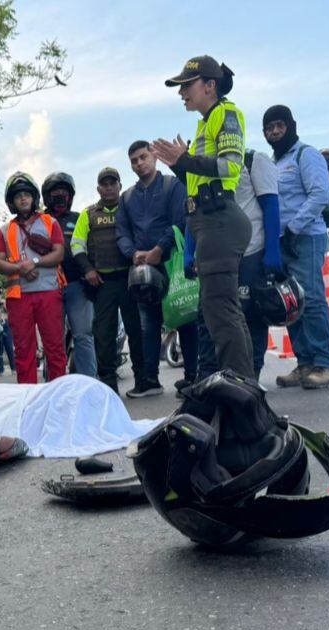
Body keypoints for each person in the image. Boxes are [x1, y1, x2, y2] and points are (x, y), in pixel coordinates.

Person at [151, 54, 255, 379]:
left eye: (187, 85)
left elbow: (229, 165)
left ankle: (241, 389)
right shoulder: (205, 123)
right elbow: (198, 183)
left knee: (221, 312)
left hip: (221, 220)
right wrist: (181, 164)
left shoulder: (226, 113)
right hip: (208, 222)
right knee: (219, 312)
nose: (182, 93)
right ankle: (237, 383)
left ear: (210, 85)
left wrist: (186, 160)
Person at [192, 147, 282, 388]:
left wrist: (272, 248)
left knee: (249, 316)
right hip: (216, 251)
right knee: (208, 315)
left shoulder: (253, 160)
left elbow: (271, 204)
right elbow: (194, 211)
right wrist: (191, 252)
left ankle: (249, 379)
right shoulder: (202, 166)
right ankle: (209, 379)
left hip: (250, 250)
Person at [263, 105, 329, 389]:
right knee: (290, 303)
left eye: (279, 126)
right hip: (282, 241)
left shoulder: (306, 155)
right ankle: (304, 362)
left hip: (306, 236)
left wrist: (294, 227)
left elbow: (321, 194)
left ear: (291, 126)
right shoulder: (273, 162)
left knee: (312, 297)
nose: (274, 132)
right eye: (269, 129)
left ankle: (325, 364)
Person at [116, 141, 188, 397]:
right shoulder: (126, 198)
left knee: (185, 317)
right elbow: (122, 233)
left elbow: (180, 220)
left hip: (173, 263)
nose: (138, 163)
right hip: (143, 270)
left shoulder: (173, 185)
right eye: (133, 160)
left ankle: (192, 379)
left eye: (142, 157)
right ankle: (149, 381)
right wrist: (133, 253)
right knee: (148, 324)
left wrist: (160, 248)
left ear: (154, 156)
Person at [70, 167, 144, 394]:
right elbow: (76, 245)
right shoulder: (88, 213)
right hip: (102, 283)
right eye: (105, 184)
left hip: (130, 279)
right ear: (98, 188)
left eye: (113, 183)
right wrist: (88, 270)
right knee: (104, 335)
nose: (109, 187)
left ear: (120, 186)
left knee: (136, 330)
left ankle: (144, 381)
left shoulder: (131, 208)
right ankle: (109, 386)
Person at [0, 171, 66, 384]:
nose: (23, 198)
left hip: (48, 292)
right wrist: (20, 268)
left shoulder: (49, 222)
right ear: (12, 202)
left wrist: (33, 263)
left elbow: (59, 253)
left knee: (54, 347)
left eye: (26, 194)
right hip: (19, 297)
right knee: (24, 351)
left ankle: (59, 394)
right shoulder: (5, 231)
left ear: (34, 198)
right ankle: (27, 398)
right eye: (18, 196)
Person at [43, 172, 96, 378]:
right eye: (55, 192)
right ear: (47, 196)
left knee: (83, 336)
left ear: (71, 195)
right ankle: (53, 384)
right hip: (49, 288)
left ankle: (90, 384)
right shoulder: (40, 221)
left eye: (64, 192)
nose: (60, 196)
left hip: (77, 287)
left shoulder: (79, 218)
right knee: (53, 339)